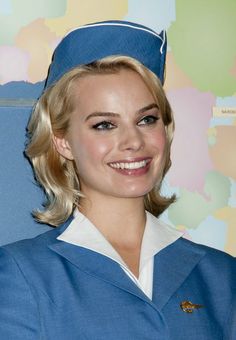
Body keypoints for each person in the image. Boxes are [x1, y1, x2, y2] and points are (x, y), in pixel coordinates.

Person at [0, 20, 235, 340]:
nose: (134, 141)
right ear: (62, 141)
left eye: (146, 119)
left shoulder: (222, 277)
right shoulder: (21, 275)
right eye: (104, 125)